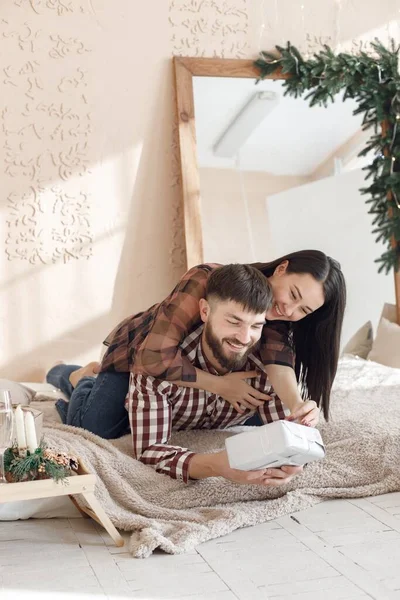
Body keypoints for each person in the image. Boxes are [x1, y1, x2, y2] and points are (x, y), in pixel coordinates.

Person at [47, 250, 346, 440]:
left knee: (257, 416)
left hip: (184, 378)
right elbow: (153, 357)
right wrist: (220, 385)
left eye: (303, 310)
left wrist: (298, 406)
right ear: (281, 268)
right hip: (136, 358)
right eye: (293, 294)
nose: (289, 310)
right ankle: (78, 376)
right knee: (95, 428)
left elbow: (278, 365)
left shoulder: (278, 317)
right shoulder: (208, 280)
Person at [50, 264, 303, 486]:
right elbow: (150, 450)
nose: (245, 338)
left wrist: (293, 462)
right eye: (234, 322)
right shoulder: (159, 364)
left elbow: (287, 436)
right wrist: (215, 465)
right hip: (125, 360)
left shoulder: (268, 367)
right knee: (93, 426)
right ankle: (80, 377)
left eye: (256, 326)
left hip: (196, 411)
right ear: (205, 312)